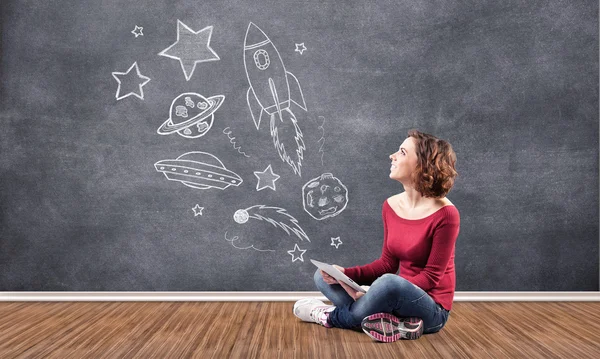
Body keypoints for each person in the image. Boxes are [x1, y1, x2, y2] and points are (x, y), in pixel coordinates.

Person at [293, 129, 460, 342]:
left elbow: (431, 276)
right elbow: (386, 264)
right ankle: (393, 323)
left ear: (422, 166)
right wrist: (344, 273)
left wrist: (374, 294)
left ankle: (327, 315)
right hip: (393, 297)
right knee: (323, 275)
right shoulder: (390, 206)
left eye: (402, 152)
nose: (392, 156)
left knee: (389, 284)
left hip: (431, 308)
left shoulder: (446, 214)